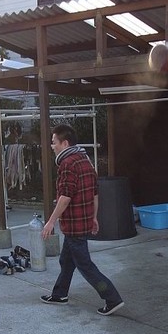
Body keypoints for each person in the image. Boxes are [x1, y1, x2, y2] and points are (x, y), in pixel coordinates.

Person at [40, 124, 124, 316]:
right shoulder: (86, 160)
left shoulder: (67, 164)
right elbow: (94, 192)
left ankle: (112, 298)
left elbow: (65, 197)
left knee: (86, 266)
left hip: (74, 225)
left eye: (54, 143)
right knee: (66, 261)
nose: (52, 146)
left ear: (65, 143)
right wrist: (94, 218)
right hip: (82, 223)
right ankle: (60, 294)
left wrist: (51, 221)